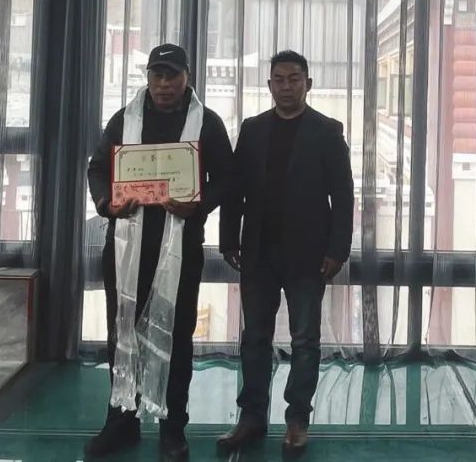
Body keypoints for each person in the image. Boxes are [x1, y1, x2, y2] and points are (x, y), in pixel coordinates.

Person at [86, 44, 235, 462]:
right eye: (157, 75)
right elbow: (98, 169)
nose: (164, 84)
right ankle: (121, 420)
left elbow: (228, 179)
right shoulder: (125, 119)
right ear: (148, 77)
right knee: (122, 333)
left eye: (172, 75)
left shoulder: (206, 123)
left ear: (187, 77)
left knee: (177, 336)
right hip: (126, 248)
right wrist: (107, 204)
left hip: (180, 249)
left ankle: (173, 428)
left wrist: (198, 204)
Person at [218, 50, 354, 456]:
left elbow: (343, 197)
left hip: (308, 255)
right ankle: (251, 417)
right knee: (254, 338)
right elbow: (235, 190)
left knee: (305, 340)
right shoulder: (253, 129)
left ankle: (297, 419)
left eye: (294, 79)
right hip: (258, 251)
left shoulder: (327, 131)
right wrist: (228, 239)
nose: (286, 87)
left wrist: (338, 250)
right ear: (269, 86)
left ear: (308, 84)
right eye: (279, 79)